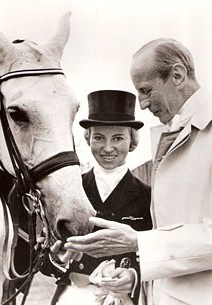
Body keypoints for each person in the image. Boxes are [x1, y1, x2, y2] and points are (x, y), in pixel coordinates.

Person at [64, 39, 212, 305]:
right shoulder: (179, 131)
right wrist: (135, 276)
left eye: (146, 90)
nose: (142, 104)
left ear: (177, 75)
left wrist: (138, 242)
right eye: (99, 138)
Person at [54, 90, 152, 305]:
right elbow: (49, 260)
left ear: (133, 142)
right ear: (88, 139)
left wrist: (133, 278)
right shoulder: (70, 190)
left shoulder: (148, 197)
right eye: (99, 137)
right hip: (72, 296)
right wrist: (54, 257)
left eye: (118, 138)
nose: (108, 148)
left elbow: (154, 254)